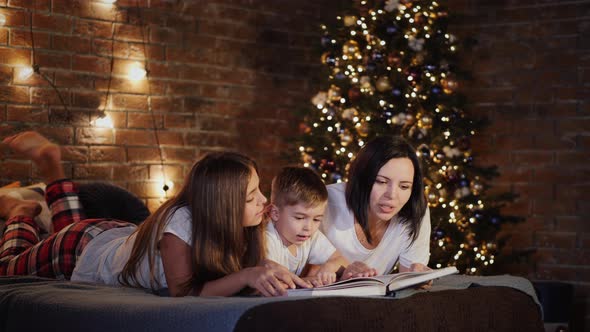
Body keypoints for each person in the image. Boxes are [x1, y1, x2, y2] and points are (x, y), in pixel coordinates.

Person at [0, 131, 310, 297]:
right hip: (80, 248)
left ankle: (50, 165)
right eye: (251, 196)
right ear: (222, 204)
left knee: (67, 226)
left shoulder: (241, 223)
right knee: (7, 270)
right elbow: (183, 292)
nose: (264, 201)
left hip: (113, 234)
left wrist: (265, 265)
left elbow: (233, 270)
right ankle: (20, 212)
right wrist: (247, 274)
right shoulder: (181, 224)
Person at [317, 136, 431, 279]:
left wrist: (418, 276)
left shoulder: (415, 209)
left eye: (404, 186)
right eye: (381, 182)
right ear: (362, 178)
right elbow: (292, 268)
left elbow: (408, 276)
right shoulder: (325, 202)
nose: (392, 195)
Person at [264, 166, 348, 287]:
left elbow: (341, 260)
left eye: (316, 219)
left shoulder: (310, 236)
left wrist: (329, 267)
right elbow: (272, 285)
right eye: (299, 218)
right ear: (275, 213)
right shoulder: (267, 239)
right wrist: (308, 280)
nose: (309, 227)